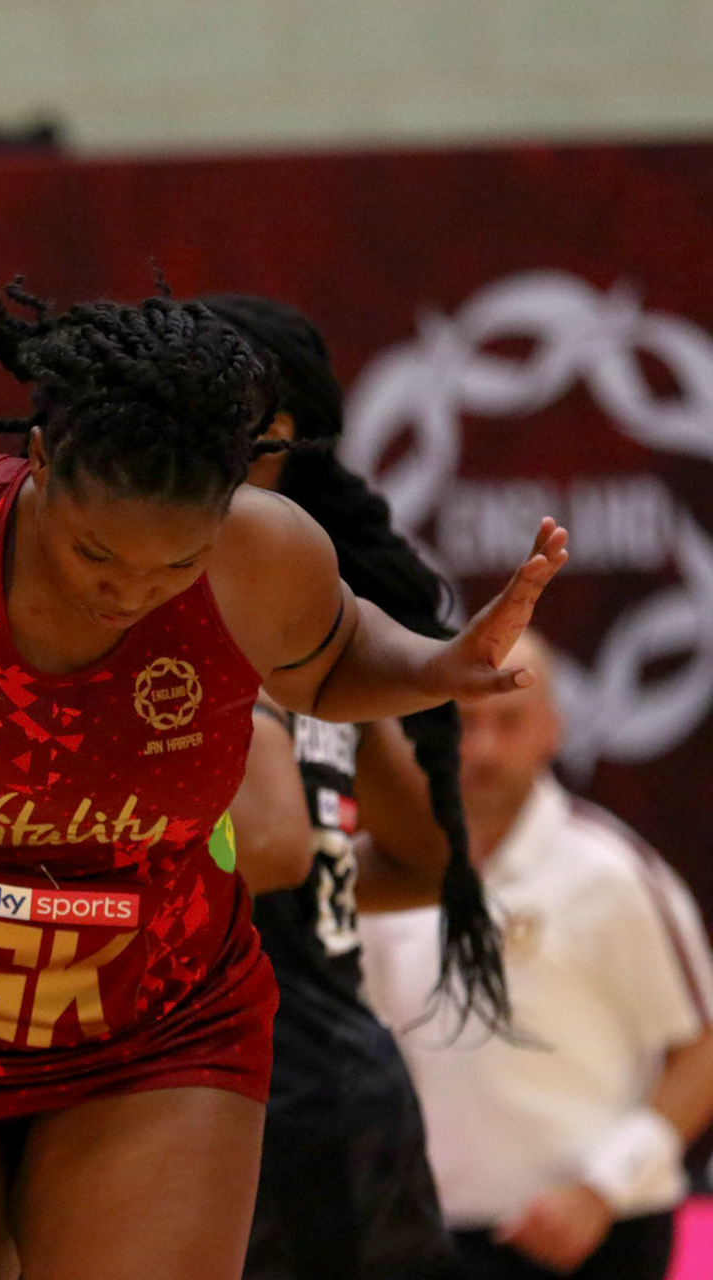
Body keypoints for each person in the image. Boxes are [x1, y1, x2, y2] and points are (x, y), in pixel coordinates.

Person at [0, 257, 567, 1280]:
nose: (130, 592)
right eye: (96, 555)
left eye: (173, 564)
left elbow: (330, 659)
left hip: (159, 1027)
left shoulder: (266, 555)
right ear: (42, 458)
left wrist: (437, 665)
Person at [210, 295, 466, 1280]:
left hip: (275, 1093)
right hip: (318, 1083)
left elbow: (274, 844)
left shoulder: (252, 627)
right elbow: (420, 860)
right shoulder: (320, 634)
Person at [361, 631, 713, 1280]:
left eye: (510, 721)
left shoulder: (612, 874)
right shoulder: (376, 877)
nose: (484, 749)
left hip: (599, 1237)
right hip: (424, 1240)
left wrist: (604, 1187)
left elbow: (702, 1047)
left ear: (554, 728)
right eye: (464, 723)